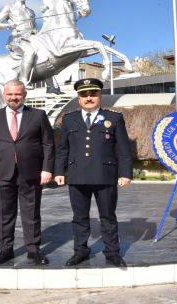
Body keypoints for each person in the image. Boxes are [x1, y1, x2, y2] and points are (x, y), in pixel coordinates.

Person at [54, 78, 133, 267]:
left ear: (99, 95)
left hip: (104, 175)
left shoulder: (114, 118)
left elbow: (123, 149)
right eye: (84, 94)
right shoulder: (69, 119)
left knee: (107, 216)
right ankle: (80, 251)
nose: (89, 98)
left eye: (93, 94)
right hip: (77, 175)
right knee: (79, 217)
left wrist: (126, 174)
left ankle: (112, 252)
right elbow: (62, 148)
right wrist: (59, 170)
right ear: (78, 98)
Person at [0, 79, 54, 266]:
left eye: (18, 94)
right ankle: (5, 250)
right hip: (1, 173)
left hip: (31, 173)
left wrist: (47, 169)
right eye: (10, 94)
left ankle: (33, 250)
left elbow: (48, 144)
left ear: (24, 95)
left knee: (32, 213)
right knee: (4, 214)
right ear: (4, 95)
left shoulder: (38, 115)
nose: (14, 97)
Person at [0, 0, 37, 76]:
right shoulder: (9, 7)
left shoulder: (31, 11)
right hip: (17, 40)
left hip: (32, 39)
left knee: (45, 53)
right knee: (29, 52)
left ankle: (50, 85)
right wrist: (9, 25)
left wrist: (35, 32)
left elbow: (34, 28)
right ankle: (23, 79)